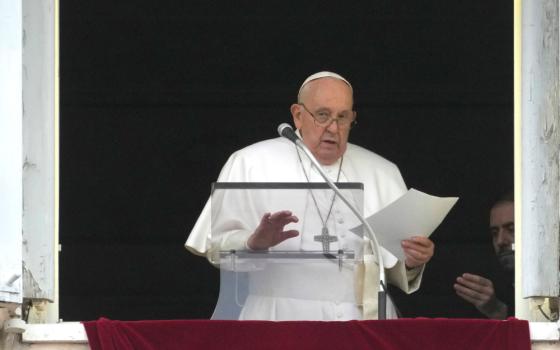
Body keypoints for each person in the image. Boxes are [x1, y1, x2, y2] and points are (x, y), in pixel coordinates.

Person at [185, 71, 435, 320]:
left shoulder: (381, 171)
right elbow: (216, 246)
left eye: (343, 117)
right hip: (277, 317)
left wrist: (412, 260)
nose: (333, 128)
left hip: (362, 319)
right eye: (323, 115)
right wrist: (253, 243)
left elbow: (394, 267)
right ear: (297, 115)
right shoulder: (250, 162)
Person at [454, 191, 514, 319]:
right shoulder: (489, 284)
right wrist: (493, 308)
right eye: (494, 233)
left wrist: (497, 310)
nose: (500, 241)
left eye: (511, 229)